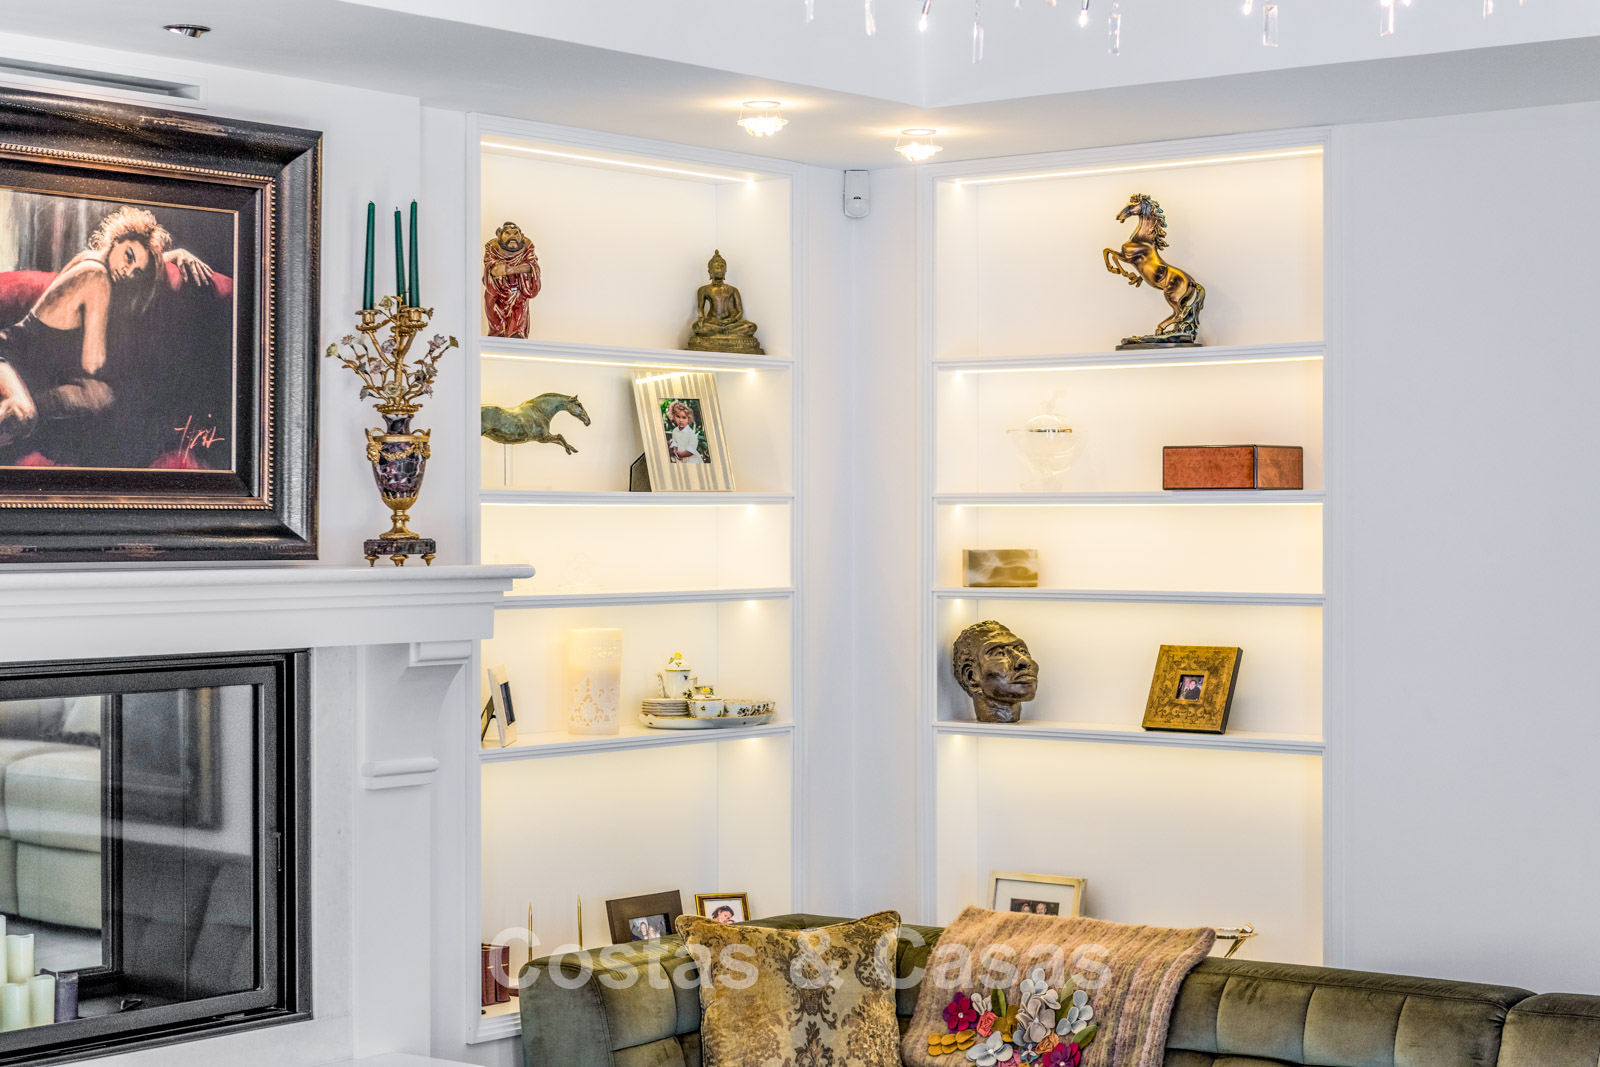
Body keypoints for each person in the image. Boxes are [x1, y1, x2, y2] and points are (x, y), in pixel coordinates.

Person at [0, 205, 216, 460]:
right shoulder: (97, 276)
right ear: (116, 240)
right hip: (8, 358)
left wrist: (172, 255)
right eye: (128, 257)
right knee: (23, 414)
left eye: (136, 272)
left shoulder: (91, 258)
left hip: (33, 371)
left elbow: (136, 256)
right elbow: (92, 364)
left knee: (100, 397)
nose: (127, 271)